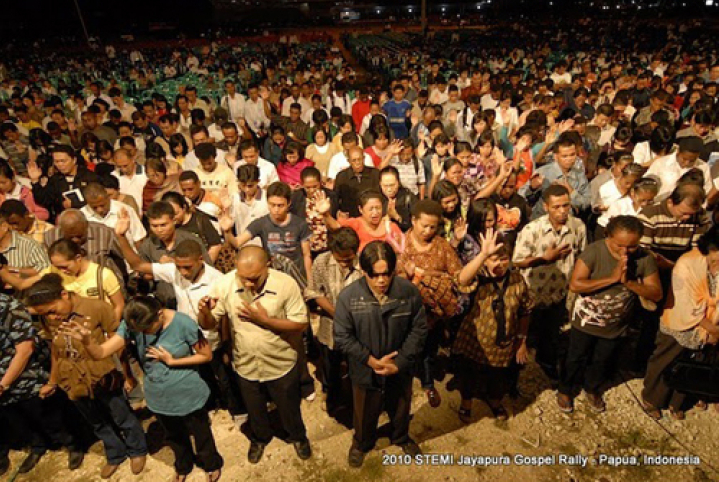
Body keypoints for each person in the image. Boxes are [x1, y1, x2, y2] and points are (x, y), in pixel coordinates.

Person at [61, 296, 223, 482]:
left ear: (159, 315)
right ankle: (183, 465)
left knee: (201, 433)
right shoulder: (134, 324)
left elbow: (206, 355)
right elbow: (101, 352)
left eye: (147, 329)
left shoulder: (183, 323)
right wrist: (87, 341)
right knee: (174, 435)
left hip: (187, 392)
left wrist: (172, 361)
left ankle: (211, 463)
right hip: (158, 395)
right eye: (139, 331)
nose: (143, 333)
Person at [22, 274, 147, 479]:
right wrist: (53, 381)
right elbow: (55, 350)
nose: (51, 318)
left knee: (121, 416)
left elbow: (118, 343)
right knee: (96, 421)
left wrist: (128, 375)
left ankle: (137, 450)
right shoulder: (48, 318)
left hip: (101, 375)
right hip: (73, 380)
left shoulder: (97, 307)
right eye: (45, 315)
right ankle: (115, 453)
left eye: (52, 311)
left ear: (64, 295)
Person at [198, 246, 312, 464]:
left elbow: (300, 323)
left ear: (267, 266)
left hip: (280, 362)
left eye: (254, 278)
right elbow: (209, 324)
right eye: (244, 278)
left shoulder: (285, 284)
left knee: (288, 407)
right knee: (255, 408)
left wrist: (265, 321)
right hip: (246, 364)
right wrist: (204, 312)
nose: (249, 284)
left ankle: (297, 436)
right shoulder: (225, 284)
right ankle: (260, 438)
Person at [334, 241, 427, 468]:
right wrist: (370, 360)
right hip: (365, 370)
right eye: (374, 275)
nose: (381, 281)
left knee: (401, 405)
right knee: (364, 410)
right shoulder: (349, 297)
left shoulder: (408, 293)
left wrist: (400, 362)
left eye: (386, 274)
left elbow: (419, 329)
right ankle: (362, 443)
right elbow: (342, 336)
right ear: (363, 272)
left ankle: (400, 437)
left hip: (400, 369)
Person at [558, 216, 662, 413]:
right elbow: (576, 284)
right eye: (619, 245)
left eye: (631, 247)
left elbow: (656, 293)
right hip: (586, 321)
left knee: (602, 359)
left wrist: (629, 282)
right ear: (608, 236)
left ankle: (592, 388)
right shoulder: (594, 252)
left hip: (616, 324)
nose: (625, 252)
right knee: (575, 357)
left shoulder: (644, 258)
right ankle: (565, 389)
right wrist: (612, 279)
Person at [0, 292, 84, 476]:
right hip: (6, 391)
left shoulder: (8, 308)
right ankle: (38, 446)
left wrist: (3, 384)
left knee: (48, 415)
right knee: (19, 419)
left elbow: (25, 349)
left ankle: (73, 444)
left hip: (26, 377)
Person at [454, 229, 532, 422]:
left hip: (503, 345)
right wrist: (483, 255)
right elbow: (461, 280)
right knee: (469, 376)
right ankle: (466, 404)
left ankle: (495, 402)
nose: (499, 264)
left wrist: (522, 340)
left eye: (504, 259)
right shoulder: (478, 277)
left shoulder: (517, 280)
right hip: (474, 342)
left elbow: (526, 310)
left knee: (498, 380)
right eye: (494, 259)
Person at [642, 226, 719, 420]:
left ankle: (678, 402)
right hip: (681, 320)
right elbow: (684, 302)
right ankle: (653, 399)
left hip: (712, 324)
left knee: (692, 364)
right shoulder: (687, 263)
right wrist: (712, 329)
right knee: (666, 360)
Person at [512, 184, 587, 380]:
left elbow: (581, 256)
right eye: (556, 207)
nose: (562, 211)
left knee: (552, 334)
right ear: (546, 207)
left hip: (559, 293)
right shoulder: (532, 230)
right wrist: (544, 259)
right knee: (526, 334)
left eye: (565, 205)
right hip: (533, 294)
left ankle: (546, 363)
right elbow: (517, 262)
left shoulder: (578, 227)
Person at [398, 200, 462, 408]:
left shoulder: (442, 246)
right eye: (424, 226)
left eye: (433, 227)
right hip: (405, 311)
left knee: (428, 350)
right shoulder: (400, 244)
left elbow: (456, 275)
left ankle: (428, 384)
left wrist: (426, 275)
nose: (428, 231)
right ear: (413, 220)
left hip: (433, 314)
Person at [305, 228, 363, 413]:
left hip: (358, 328)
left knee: (356, 365)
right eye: (340, 260)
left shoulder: (364, 262)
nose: (345, 264)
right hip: (330, 326)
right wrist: (338, 314)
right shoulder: (321, 262)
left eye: (349, 259)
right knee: (331, 365)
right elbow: (314, 292)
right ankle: (331, 395)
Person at [225, 181, 312, 277]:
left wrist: (309, 281)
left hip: (296, 276)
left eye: (280, 205)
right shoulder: (261, 223)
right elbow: (237, 243)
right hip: (273, 276)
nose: (276, 210)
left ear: (289, 203)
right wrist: (227, 231)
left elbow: (306, 255)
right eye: (272, 205)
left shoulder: (299, 224)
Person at [318, 189, 405, 254]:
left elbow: (403, 249)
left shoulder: (391, 227)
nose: (375, 212)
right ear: (361, 209)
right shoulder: (355, 224)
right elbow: (335, 227)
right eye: (371, 209)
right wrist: (326, 214)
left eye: (378, 208)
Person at [28, 144, 100, 219]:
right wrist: (35, 181)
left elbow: (98, 199)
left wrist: (75, 204)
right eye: (56, 161)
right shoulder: (55, 180)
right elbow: (44, 201)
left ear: (74, 160)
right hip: (65, 220)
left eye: (63, 161)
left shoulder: (90, 177)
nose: (60, 165)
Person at [290, 166, 339, 256]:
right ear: (302, 185)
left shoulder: (331, 196)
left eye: (315, 186)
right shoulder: (296, 198)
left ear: (320, 183)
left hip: (327, 245)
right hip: (305, 248)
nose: (312, 190)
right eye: (307, 187)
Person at [162, 192, 223, 263]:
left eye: (175, 214)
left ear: (184, 208)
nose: (173, 218)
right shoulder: (167, 226)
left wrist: (205, 265)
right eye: (169, 215)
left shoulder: (200, 220)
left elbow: (215, 246)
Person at [81, 183, 146, 247]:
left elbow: (139, 238)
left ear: (108, 197)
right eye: (94, 207)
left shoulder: (126, 210)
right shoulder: (82, 215)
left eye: (102, 205)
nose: (99, 210)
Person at [333, 146, 381, 217]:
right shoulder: (341, 177)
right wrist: (338, 212)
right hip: (349, 217)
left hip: (372, 215)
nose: (357, 163)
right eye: (354, 160)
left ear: (364, 158)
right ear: (349, 161)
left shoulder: (375, 174)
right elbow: (335, 198)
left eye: (359, 159)